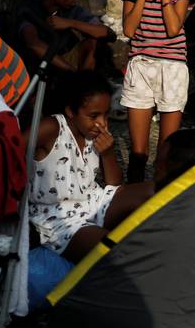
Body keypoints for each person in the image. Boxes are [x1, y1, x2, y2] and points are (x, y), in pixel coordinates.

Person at [28, 71, 153, 263]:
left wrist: (108, 153)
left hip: (93, 200)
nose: (102, 123)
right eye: (94, 115)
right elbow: (8, 148)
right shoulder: (52, 127)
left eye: (105, 115)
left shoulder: (94, 130)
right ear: (70, 111)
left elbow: (114, 184)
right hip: (57, 218)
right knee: (114, 252)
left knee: (156, 191)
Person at [120, 0, 195, 183]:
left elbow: (174, 28)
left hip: (173, 68)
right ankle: (133, 204)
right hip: (140, 65)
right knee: (138, 154)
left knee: (167, 150)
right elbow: (129, 29)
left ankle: (161, 203)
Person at [18, 0, 115, 75]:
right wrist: (71, 72)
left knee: (94, 41)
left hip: (66, 63)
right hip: (35, 68)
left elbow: (108, 34)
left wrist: (70, 23)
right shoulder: (31, 7)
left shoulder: (72, 10)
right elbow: (33, 44)